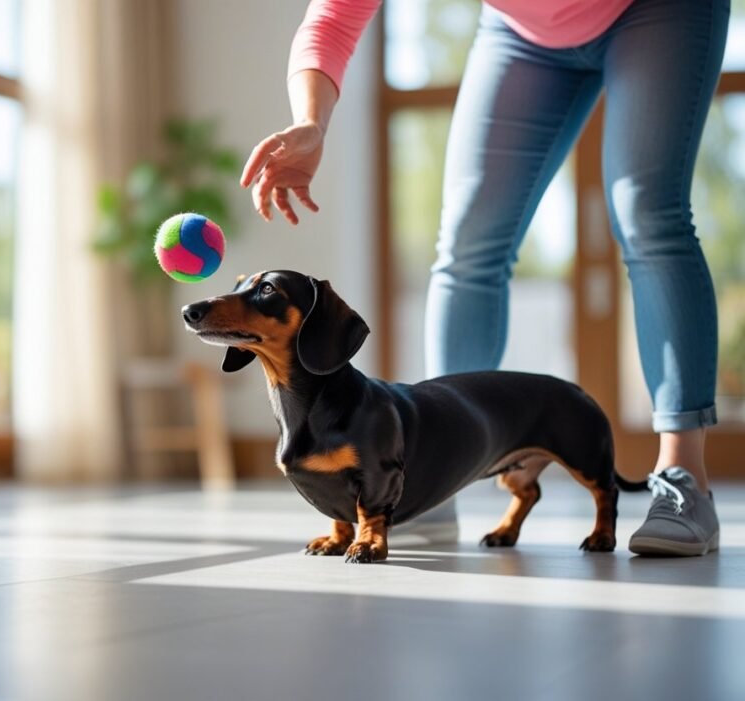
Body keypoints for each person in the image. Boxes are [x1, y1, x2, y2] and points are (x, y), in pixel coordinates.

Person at [241, 0, 729, 556]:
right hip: (523, 30)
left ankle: (683, 476)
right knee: (469, 243)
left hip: (658, 11)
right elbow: (333, 18)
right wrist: (311, 121)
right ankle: (432, 471)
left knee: (647, 214)